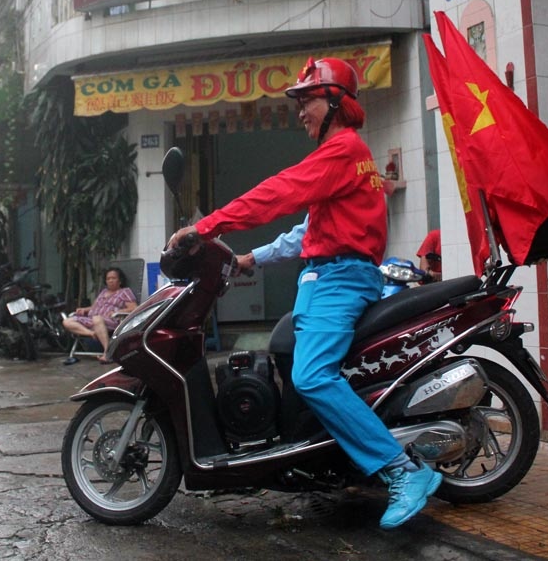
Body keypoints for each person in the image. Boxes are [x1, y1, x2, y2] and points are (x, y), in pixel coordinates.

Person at [167, 57, 442, 529]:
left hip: (339, 280)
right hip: (326, 278)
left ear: (335, 102)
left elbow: (277, 193)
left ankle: (402, 469)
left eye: (307, 100)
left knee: (313, 376)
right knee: (288, 357)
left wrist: (206, 226)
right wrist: (252, 258)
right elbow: (308, 232)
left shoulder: (342, 151)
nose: (300, 112)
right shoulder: (345, 156)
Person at [61, 267, 137, 364]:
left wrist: (118, 311)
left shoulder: (125, 292)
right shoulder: (103, 292)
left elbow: (134, 308)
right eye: (108, 279)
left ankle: (107, 353)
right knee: (67, 321)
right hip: (92, 320)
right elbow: (95, 307)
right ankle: (91, 333)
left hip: (112, 321)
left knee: (97, 319)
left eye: (113, 278)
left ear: (120, 280)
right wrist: (85, 309)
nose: (110, 281)